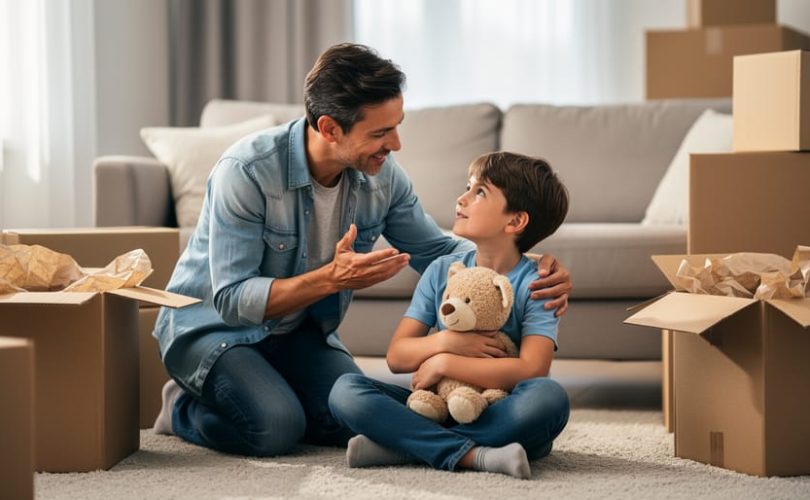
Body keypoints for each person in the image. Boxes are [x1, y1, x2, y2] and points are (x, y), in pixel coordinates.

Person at [151, 43, 572, 458]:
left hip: (296, 332)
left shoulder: (382, 176)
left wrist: (522, 263)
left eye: (397, 125)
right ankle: (183, 408)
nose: (396, 144)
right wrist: (331, 278)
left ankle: (279, 390)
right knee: (275, 428)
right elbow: (232, 300)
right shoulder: (247, 172)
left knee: (346, 417)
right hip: (215, 332)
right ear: (330, 128)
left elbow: (439, 251)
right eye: (380, 132)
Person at [328, 152, 571, 479]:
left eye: (479, 192)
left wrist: (445, 363)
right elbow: (398, 357)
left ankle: (405, 448)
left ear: (515, 221)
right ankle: (477, 455)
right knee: (345, 391)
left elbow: (532, 370)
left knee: (548, 398)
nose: (462, 198)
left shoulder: (538, 284)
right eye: (467, 187)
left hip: (497, 409)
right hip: (434, 406)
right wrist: (447, 341)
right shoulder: (440, 271)